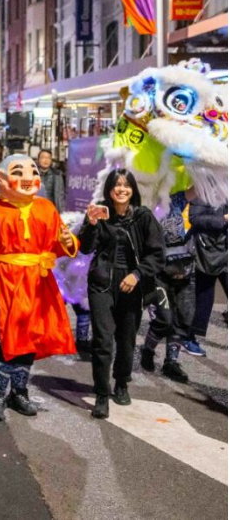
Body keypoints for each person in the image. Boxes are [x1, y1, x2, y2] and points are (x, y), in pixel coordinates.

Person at [0, 155, 79, 422]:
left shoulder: (46, 208)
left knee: (29, 338)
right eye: (18, 172)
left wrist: (68, 242)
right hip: (3, 282)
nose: (27, 177)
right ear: (1, 179)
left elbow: (57, 245)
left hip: (37, 284)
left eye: (32, 171)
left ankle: (19, 392)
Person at [78, 170, 164, 419]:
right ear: (109, 189)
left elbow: (157, 254)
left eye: (126, 185)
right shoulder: (100, 212)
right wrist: (91, 225)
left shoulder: (143, 216)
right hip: (102, 283)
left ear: (133, 189)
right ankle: (101, 394)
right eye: (117, 185)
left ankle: (122, 382)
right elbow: (86, 248)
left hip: (132, 284)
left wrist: (137, 274)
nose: (122, 189)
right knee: (102, 341)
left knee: (126, 340)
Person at [140, 190, 196, 384]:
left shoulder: (175, 200)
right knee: (164, 319)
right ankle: (148, 349)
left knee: (183, 318)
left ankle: (171, 362)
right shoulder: (144, 208)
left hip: (183, 269)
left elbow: (197, 189)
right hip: (158, 274)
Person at [187, 199, 228, 354]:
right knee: (204, 296)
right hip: (210, 251)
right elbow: (195, 218)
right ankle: (188, 337)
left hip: (225, 249)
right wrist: (223, 219)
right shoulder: (204, 190)